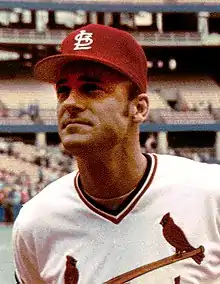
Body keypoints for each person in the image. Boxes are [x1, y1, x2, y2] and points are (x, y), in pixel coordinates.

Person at [12, 24, 220, 284]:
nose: (70, 103)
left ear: (139, 108)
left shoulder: (210, 192)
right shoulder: (36, 222)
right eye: (63, 91)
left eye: (91, 88)